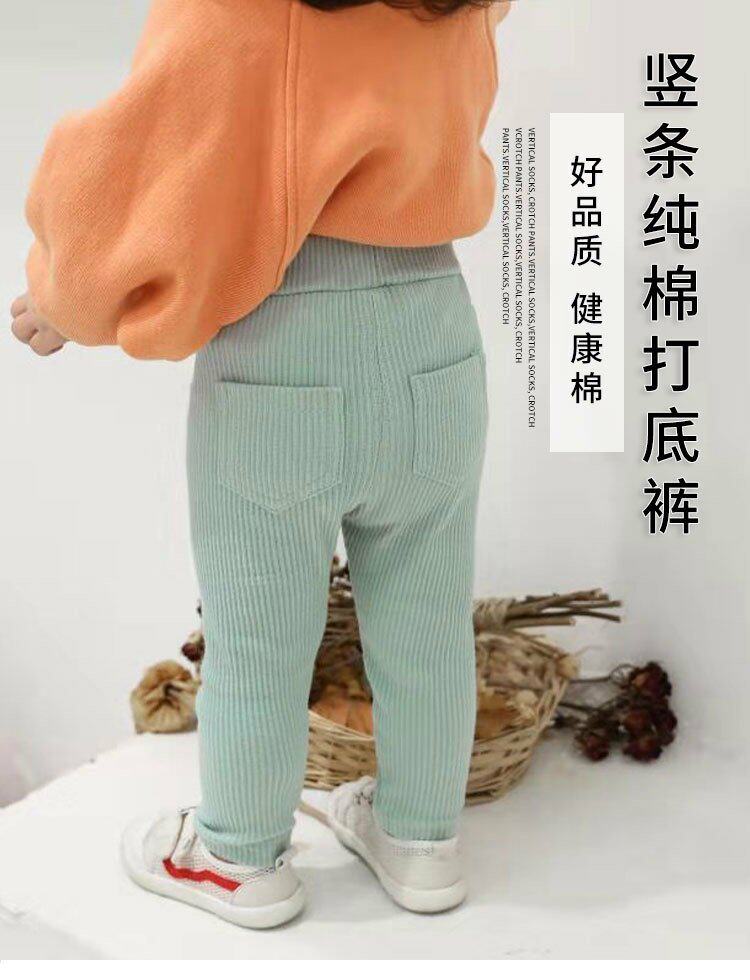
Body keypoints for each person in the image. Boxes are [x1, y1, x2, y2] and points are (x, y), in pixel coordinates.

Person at [10, 0, 509, 928]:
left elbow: (153, 145)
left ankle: (238, 856)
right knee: (428, 617)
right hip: (438, 325)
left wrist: (64, 293)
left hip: (289, 335)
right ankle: (422, 840)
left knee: (260, 629)